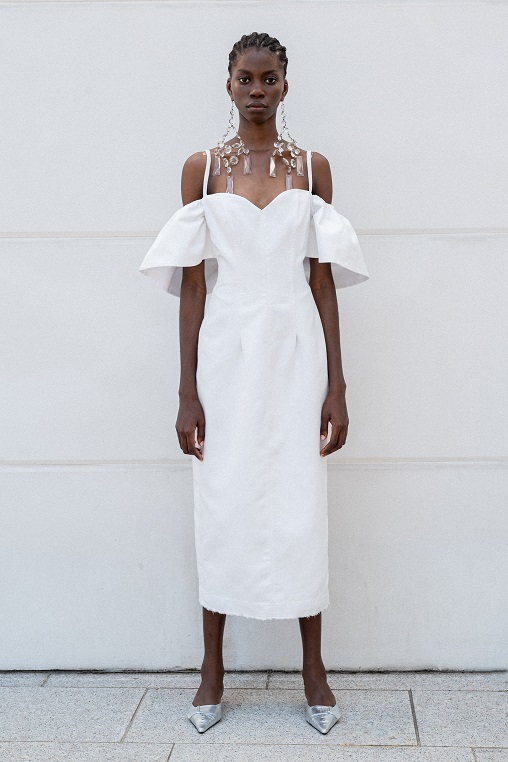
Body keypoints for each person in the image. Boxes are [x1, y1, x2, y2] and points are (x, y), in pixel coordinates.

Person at [139, 32, 369, 735]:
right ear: (229, 84)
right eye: (246, 78)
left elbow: (322, 283)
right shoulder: (203, 169)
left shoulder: (312, 169)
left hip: (295, 348)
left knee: (301, 500)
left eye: (269, 79)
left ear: (285, 86)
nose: (258, 90)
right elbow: (192, 289)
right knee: (221, 498)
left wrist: (337, 386)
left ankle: (313, 670)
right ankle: (212, 670)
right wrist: (186, 391)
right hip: (227, 353)